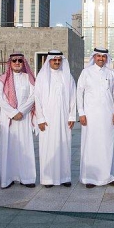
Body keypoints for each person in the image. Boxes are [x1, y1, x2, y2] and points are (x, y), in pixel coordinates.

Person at [77, 47, 114, 188]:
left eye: (103, 56)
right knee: (91, 145)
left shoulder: (110, 73)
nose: (101, 59)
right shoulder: (86, 72)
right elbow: (79, 93)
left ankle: (107, 176)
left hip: (107, 114)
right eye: (98, 56)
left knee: (107, 145)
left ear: (106, 58)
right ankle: (89, 177)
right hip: (90, 115)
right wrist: (81, 113)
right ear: (94, 57)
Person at [0, 53, 37, 188]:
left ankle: (27, 178)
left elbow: (33, 96)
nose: (17, 63)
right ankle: (8, 178)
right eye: (14, 61)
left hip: (24, 118)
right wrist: (12, 112)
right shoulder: (1, 80)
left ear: (23, 63)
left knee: (25, 147)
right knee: (8, 149)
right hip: (8, 119)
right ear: (10, 63)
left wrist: (21, 111)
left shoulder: (28, 78)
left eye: (20, 61)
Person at [35, 51, 76, 188]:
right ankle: (48, 179)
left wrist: (71, 116)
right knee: (48, 147)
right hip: (47, 119)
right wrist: (40, 118)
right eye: (54, 60)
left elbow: (73, 98)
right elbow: (37, 99)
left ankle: (65, 177)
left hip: (64, 118)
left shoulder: (67, 77)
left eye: (59, 60)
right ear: (49, 61)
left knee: (64, 146)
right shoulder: (41, 77)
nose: (57, 62)